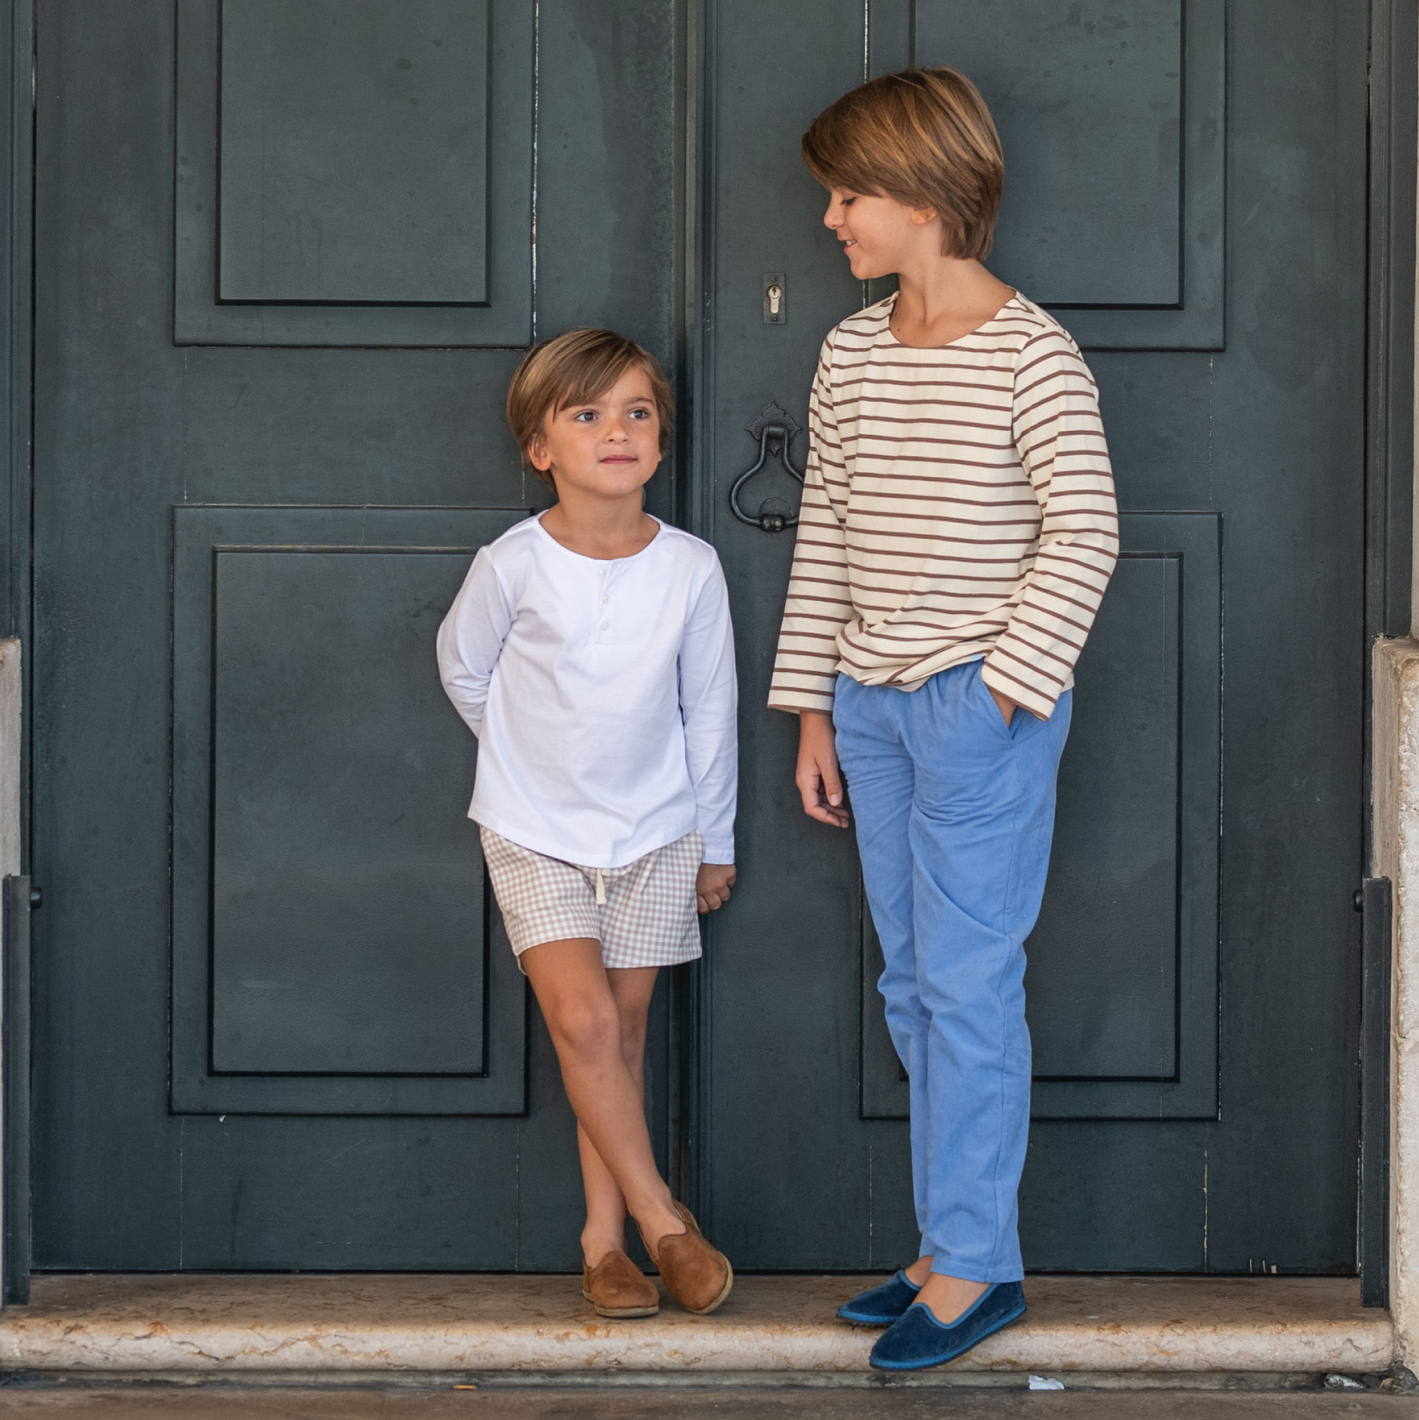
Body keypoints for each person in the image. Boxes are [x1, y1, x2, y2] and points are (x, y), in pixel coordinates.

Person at [769, 68, 1118, 1370]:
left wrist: (1002, 687)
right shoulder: (849, 350)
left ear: (921, 197)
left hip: (977, 707)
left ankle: (976, 1267)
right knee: (914, 984)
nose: (829, 220)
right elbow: (825, 539)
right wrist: (811, 709)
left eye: (847, 194)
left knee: (968, 987)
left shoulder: (1031, 355)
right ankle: (941, 1243)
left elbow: (1083, 531)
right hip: (867, 704)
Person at [438, 327, 737, 1320]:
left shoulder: (691, 569)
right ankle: (663, 1223)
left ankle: (603, 1247)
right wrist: (524, 752)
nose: (617, 431)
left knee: (622, 1033)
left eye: (637, 412)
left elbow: (712, 712)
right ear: (541, 448)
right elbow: (463, 668)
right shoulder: (513, 562)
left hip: (655, 830)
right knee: (580, 1018)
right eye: (587, 414)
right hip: (532, 826)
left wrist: (715, 840)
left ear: (661, 438)